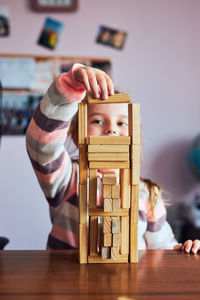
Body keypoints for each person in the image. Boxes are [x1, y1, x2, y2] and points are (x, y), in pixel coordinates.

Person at [26, 64, 200, 253]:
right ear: (77, 137)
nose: (112, 129)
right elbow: (42, 144)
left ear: (136, 139)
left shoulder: (148, 196)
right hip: (66, 280)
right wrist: (70, 87)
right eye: (98, 121)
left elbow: (163, 250)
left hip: (128, 282)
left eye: (122, 123)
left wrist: (184, 250)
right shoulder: (68, 179)